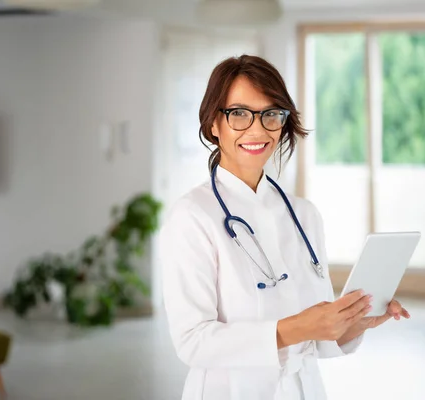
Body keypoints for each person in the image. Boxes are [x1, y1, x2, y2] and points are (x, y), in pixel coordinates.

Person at [158, 55, 410, 400]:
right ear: (213, 123)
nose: (258, 129)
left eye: (271, 114)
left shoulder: (304, 215)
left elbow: (315, 341)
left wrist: (352, 322)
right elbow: (193, 342)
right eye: (239, 114)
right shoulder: (192, 217)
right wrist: (295, 328)